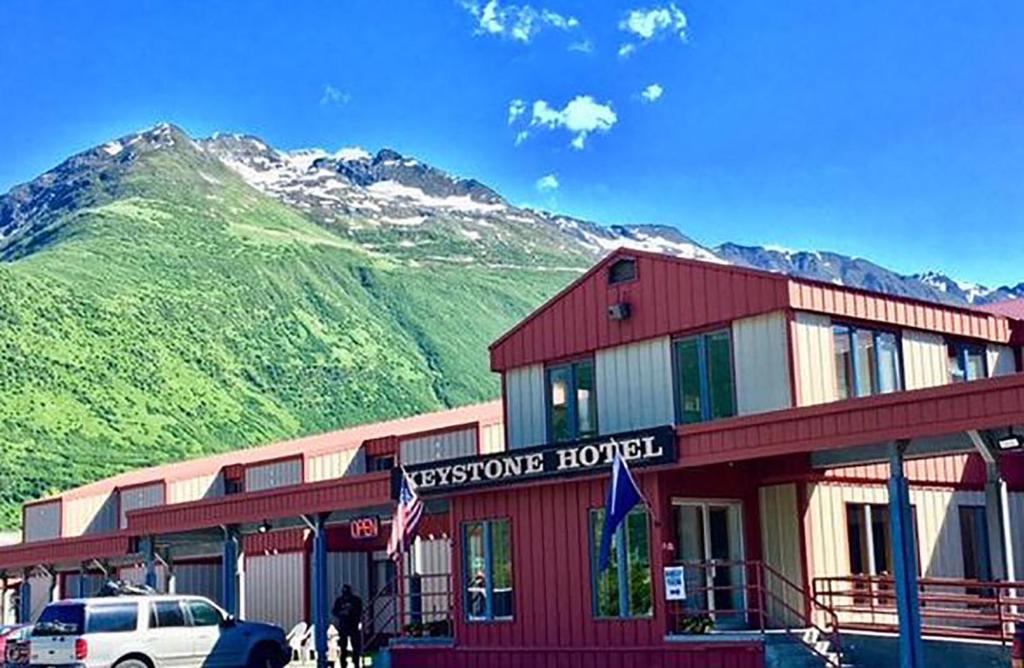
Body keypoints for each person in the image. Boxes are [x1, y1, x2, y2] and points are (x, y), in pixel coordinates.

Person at [332, 584, 364, 668]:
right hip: (344, 626)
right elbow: (335, 611)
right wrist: (342, 613)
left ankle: (356, 663)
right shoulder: (339, 600)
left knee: (355, 646)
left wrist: (351, 613)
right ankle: (344, 664)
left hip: (353, 625)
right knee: (343, 647)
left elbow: (359, 611)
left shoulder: (356, 600)